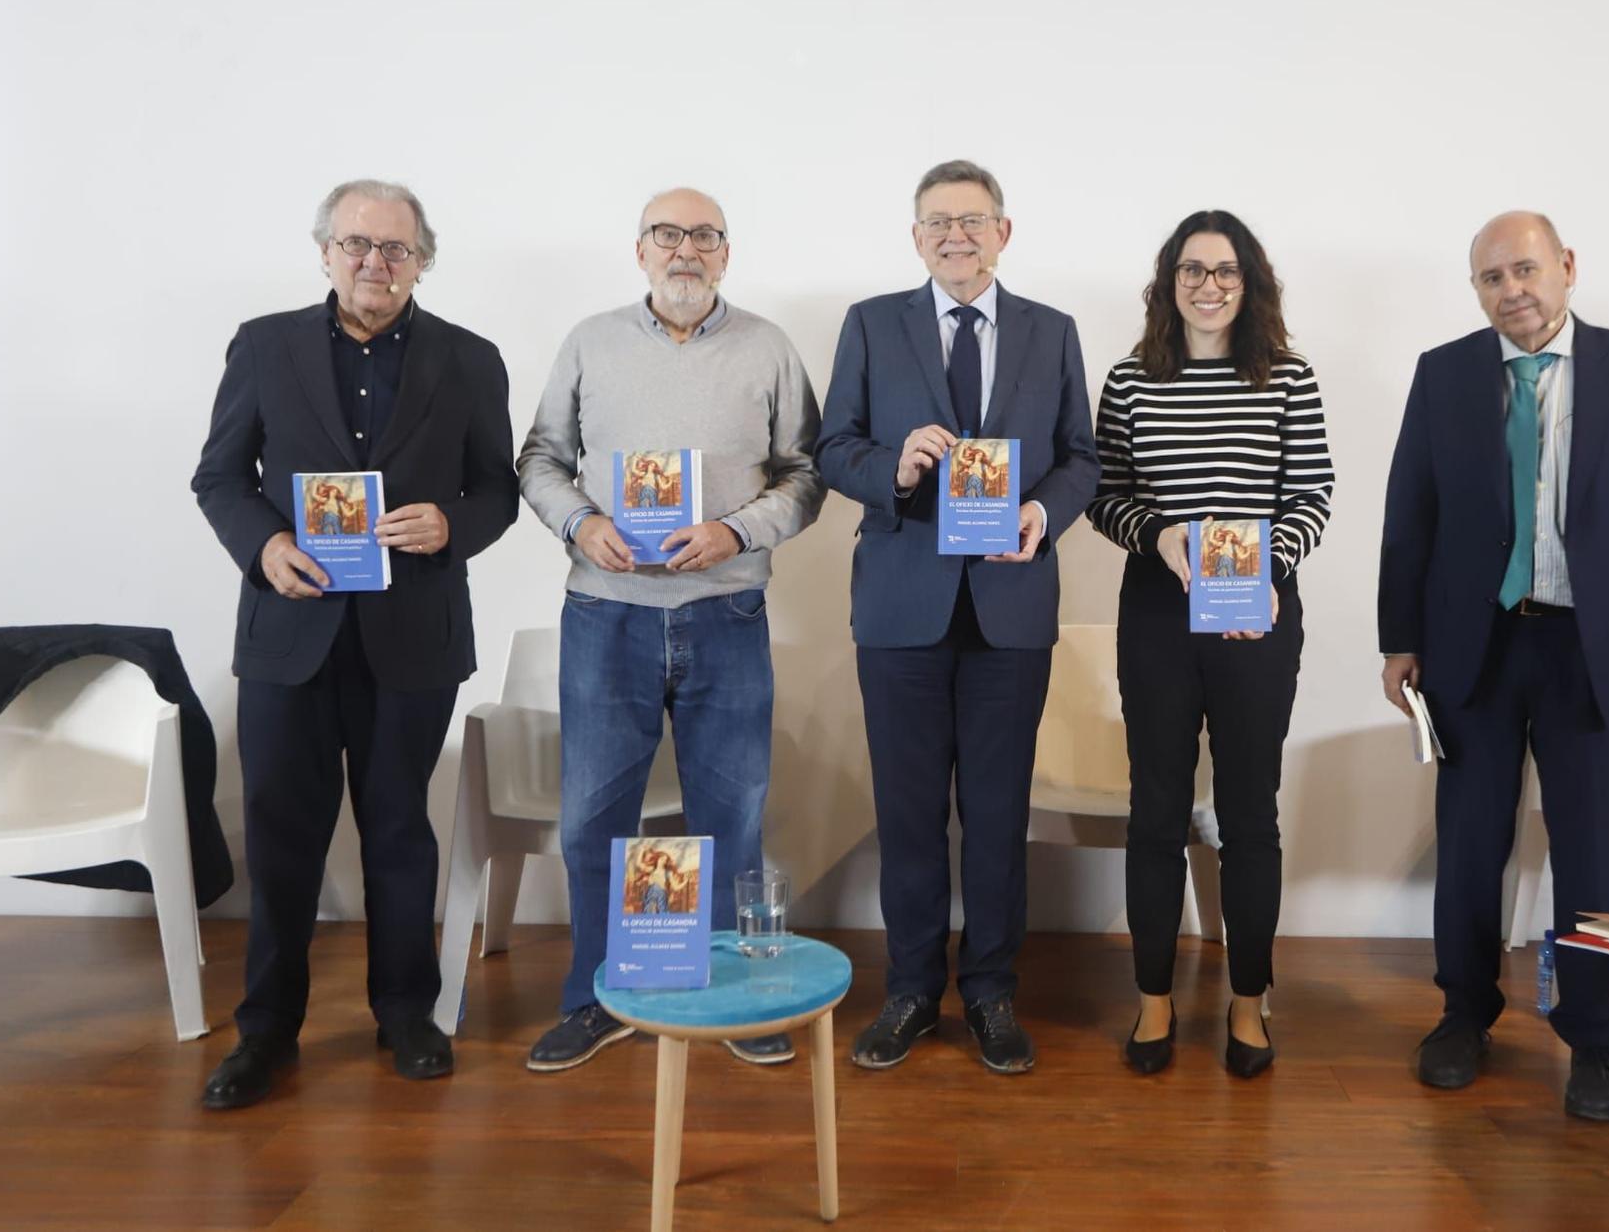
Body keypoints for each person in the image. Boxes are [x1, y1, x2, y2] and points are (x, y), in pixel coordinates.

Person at [191, 179, 518, 1109]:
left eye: (396, 249)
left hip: (411, 632)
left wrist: (449, 525)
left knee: (400, 831)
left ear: (423, 260)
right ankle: (265, 1032)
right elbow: (219, 476)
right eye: (358, 245)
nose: (376, 263)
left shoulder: (469, 358)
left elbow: (496, 490)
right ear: (326, 251)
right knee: (283, 835)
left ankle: (407, 1012)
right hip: (290, 630)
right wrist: (267, 544)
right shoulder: (265, 344)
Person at [1378, 211, 1609, 1122]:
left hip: (1593, 649)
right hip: (1472, 644)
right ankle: (1463, 1014)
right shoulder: (1443, 374)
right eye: (1490, 278)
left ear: (1567, 267)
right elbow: (1411, 515)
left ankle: (1596, 1035)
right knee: (1472, 839)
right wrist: (1398, 639)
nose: (1510, 290)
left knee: (1591, 847)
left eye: (1525, 269)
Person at [517, 187, 823, 1071]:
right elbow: (539, 456)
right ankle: (594, 998)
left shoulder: (766, 347)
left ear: (726, 253)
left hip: (727, 611)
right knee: (592, 821)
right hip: (605, 612)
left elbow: (806, 474)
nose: (684, 250)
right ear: (640, 249)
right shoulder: (590, 341)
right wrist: (583, 524)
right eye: (667, 234)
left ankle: (729, 997)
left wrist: (736, 530)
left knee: (733, 814)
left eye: (703, 236)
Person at [816, 159, 1100, 1074]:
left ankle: (990, 991)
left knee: (995, 810)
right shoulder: (870, 323)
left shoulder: (1051, 332)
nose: (956, 236)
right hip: (902, 605)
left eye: (973, 221)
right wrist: (895, 468)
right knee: (906, 811)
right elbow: (831, 449)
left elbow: (1081, 459)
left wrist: (1041, 512)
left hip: (1010, 605)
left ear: (1003, 232)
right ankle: (908, 991)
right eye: (938, 221)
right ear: (915, 236)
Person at [1085, 210, 1334, 1078]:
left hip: (1256, 608)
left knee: (1248, 812)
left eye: (1225, 270)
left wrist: (1274, 567)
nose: (1208, 285)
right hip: (1158, 608)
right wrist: (1156, 535)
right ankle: (1153, 996)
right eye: (1192, 270)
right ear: (1169, 282)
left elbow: (1313, 494)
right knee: (1154, 807)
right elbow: (1102, 492)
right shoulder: (1129, 381)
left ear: (1250, 282)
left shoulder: (1289, 378)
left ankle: (1248, 1002)